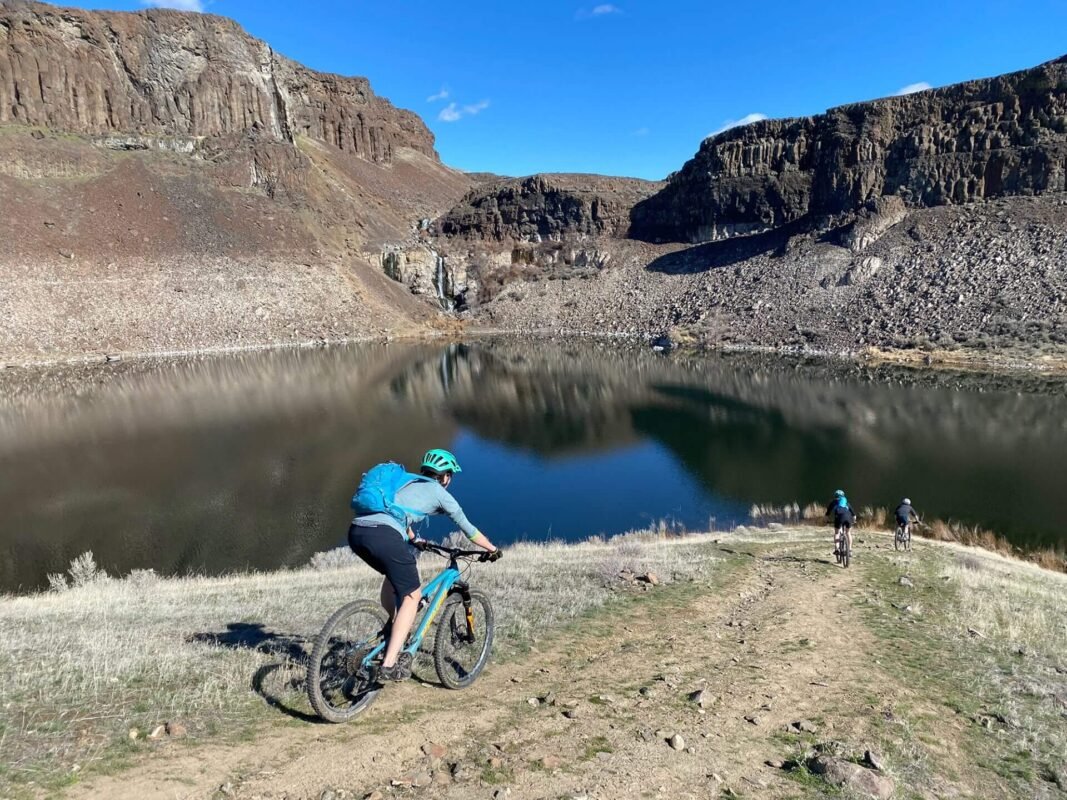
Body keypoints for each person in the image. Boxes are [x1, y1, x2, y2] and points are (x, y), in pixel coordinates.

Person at [348, 449, 500, 681]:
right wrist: (492, 549)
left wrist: (414, 539)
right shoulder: (439, 492)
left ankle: (394, 624)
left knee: (393, 577)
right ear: (446, 476)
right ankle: (390, 665)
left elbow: (396, 512)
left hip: (358, 531)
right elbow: (468, 529)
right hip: (384, 536)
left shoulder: (405, 482)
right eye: (450, 476)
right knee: (412, 594)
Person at [825, 489, 856, 558]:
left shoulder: (834, 502)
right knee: (848, 533)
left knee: (837, 533)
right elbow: (853, 514)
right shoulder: (846, 502)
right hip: (848, 518)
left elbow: (828, 513)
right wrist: (854, 520)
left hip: (839, 518)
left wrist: (826, 521)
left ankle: (837, 549)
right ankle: (850, 550)